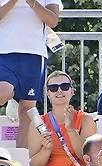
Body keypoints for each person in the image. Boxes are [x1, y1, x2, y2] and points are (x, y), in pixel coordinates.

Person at [0, 0, 61, 150]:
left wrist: (32, 3)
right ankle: (12, 97)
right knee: (3, 92)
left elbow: (53, 21)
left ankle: (20, 163)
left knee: (27, 109)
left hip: (34, 55)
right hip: (4, 52)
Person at [28, 70, 96, 166]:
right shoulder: (39, 123)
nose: (59, 91)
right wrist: (46, 150)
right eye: (53, 88)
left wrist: (71, 130)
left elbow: (88, 158)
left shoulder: (86, 119)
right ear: (48, 94)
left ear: (72, 91)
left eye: (64, 86)